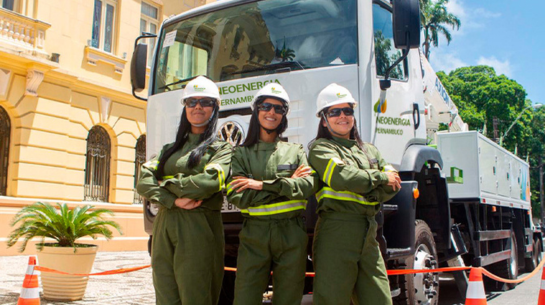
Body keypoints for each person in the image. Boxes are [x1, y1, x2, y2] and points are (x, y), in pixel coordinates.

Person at [136, 76, 231, 305]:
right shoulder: (169, 149)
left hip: (197, 225)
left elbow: (210, 182)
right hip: (165, 223)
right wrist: (172, 200)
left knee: (195, 295)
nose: (197, 106)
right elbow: (143, 181)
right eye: (191, 102)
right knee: (165, 294)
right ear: (185, 108)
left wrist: (164, 185)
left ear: (215, 107)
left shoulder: (222, 149)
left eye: (205, 102)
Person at [308, 83, 401, 305]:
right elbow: (342, 177)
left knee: (380, 300)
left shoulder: (369, 150)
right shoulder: (321, 148)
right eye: (334, 112)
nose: (343, 116)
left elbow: (393, 185)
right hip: (336, 232)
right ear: (324, 119)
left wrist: (369, 184)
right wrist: (378, 178)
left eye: (347, 110)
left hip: (369, 232)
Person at [226, 83, 315, 305]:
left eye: (278, 108)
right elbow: (237, 195)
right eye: (266, 106)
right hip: (254, 235)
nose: (271, 112)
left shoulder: (295, 151)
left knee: (289, 299)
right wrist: (286, 185)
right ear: (256, 111)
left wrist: (260, 185)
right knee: (245, 298)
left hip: (291, 234)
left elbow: (307, 187)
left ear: (284, 115)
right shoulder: (241, 154)